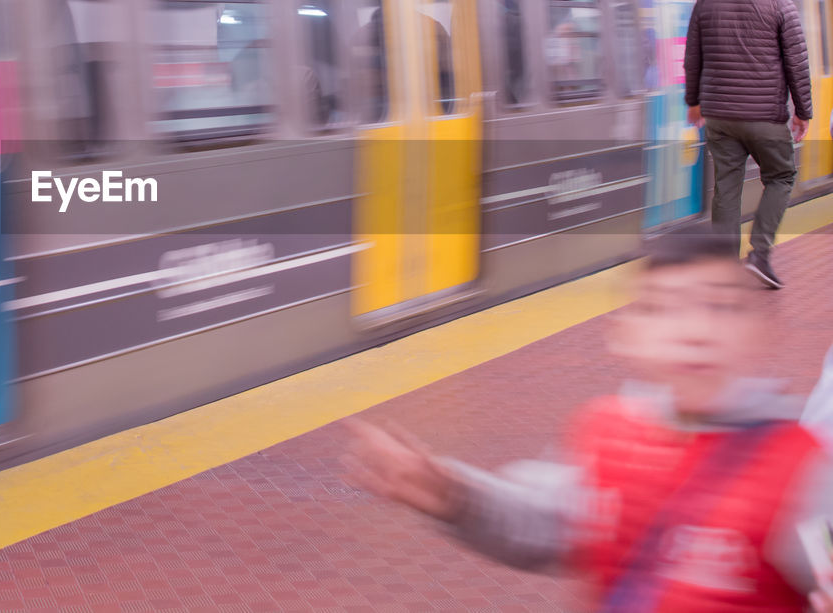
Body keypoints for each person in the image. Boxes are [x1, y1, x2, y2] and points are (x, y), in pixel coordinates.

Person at [343, 226, 833, 611]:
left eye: (721, 308)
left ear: (761, 332)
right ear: (625, 335)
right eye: (667, 309)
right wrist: (448, 494)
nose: (696, 331)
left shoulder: (800, 468)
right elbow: (545, 527)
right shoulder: (607, 432)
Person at [684, 0, 812, 289]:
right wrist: (803, 111)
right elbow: (797, 65)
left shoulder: (706, 4)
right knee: (782, 176)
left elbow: (692, 59)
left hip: (720, 116)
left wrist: (693, 102)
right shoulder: (781, 4)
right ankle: (759, 253)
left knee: (726, 187)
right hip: (765, 115)